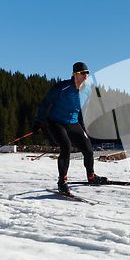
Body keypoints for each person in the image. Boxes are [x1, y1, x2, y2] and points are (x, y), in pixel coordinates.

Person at [33, 62, 107, 194]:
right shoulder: (61, 88)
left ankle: (91, 177)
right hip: (55, 122)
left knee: (88, 149)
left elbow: (82, 109)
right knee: (66, 147)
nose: (86, 75)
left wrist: (83, 125)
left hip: (73, 123)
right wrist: (37, 122)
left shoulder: (87, 90)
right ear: (74, 74)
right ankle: (62, 182)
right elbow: (45, 103)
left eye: (87, 72)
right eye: (82, 73)